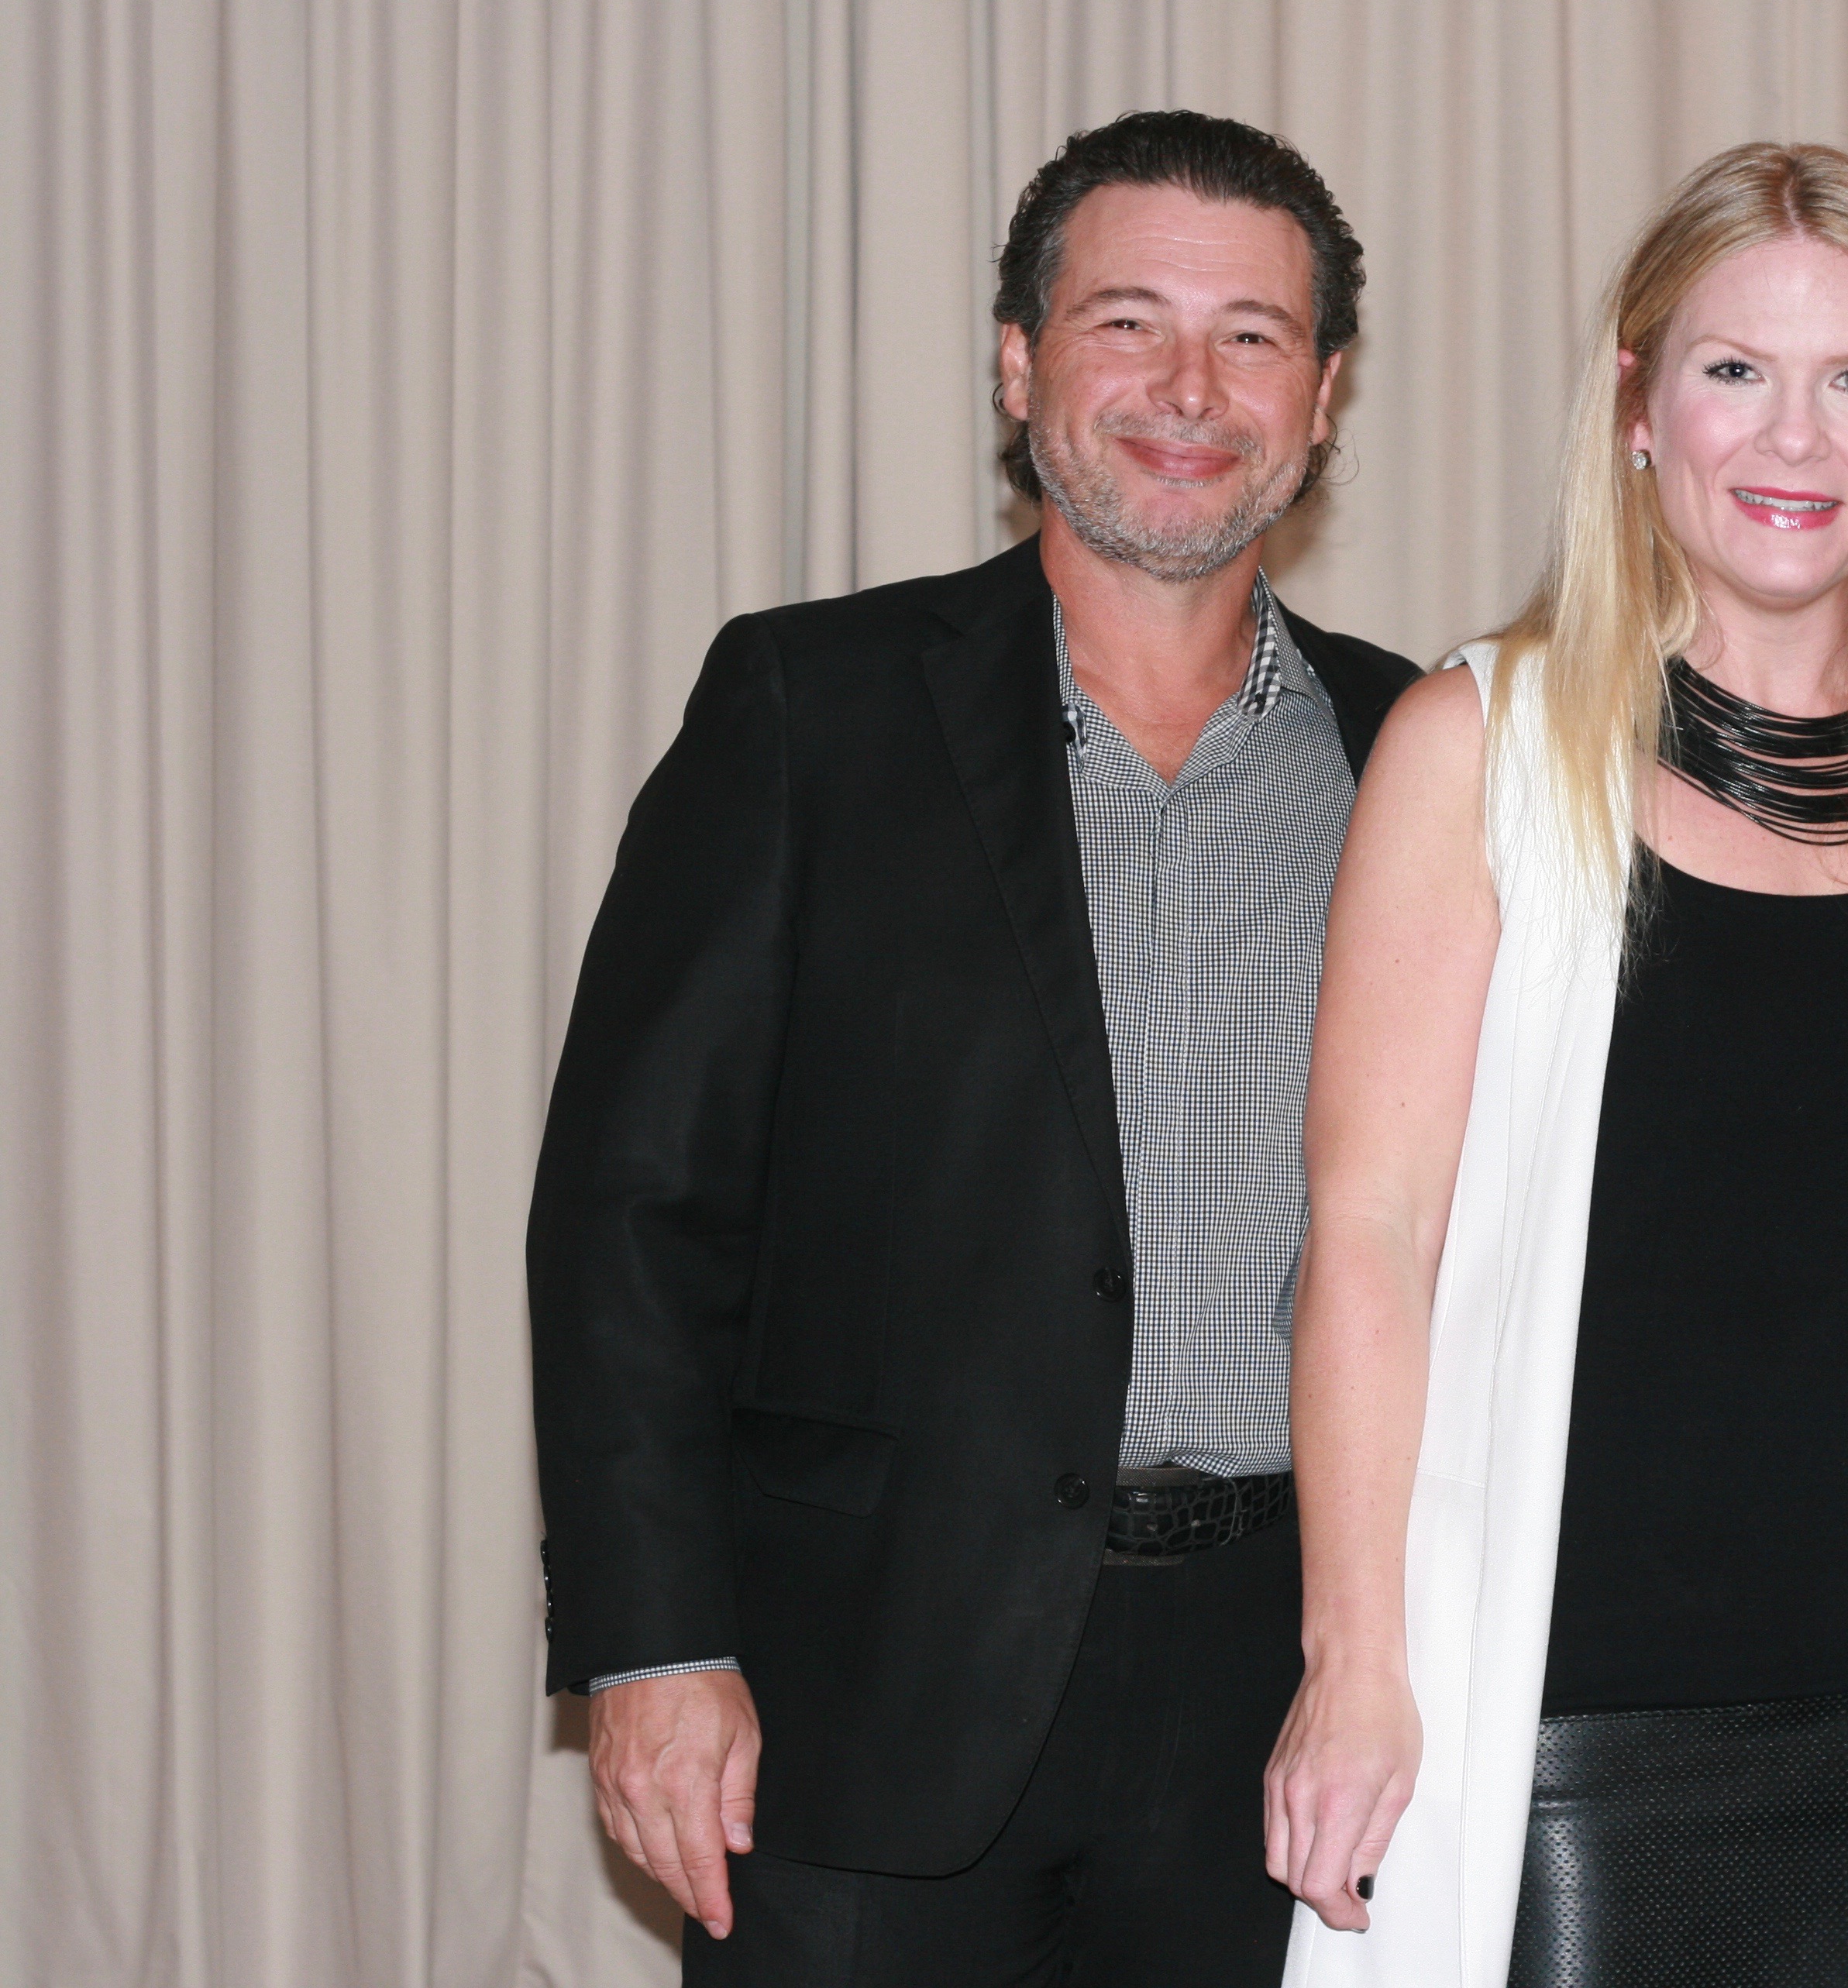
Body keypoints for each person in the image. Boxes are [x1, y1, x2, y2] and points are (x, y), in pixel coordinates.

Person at [527, 110, 1416, 1986]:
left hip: (1279, 1706)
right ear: (1019, 363)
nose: (1191, 389)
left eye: (1253, 336)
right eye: (1127, 323)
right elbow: (634, 1210)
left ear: (1324, 396)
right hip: (868, 1680)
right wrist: (654, 1644)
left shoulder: (1415, 750)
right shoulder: (809, 706)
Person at [1261, 143, 1848, 1988]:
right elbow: (1369, 1234)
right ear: (1638, 405)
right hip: (1573, 1703)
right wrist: (1351, 1659)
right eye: (1735, 371)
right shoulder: (1481, 744)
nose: (1795, 438)